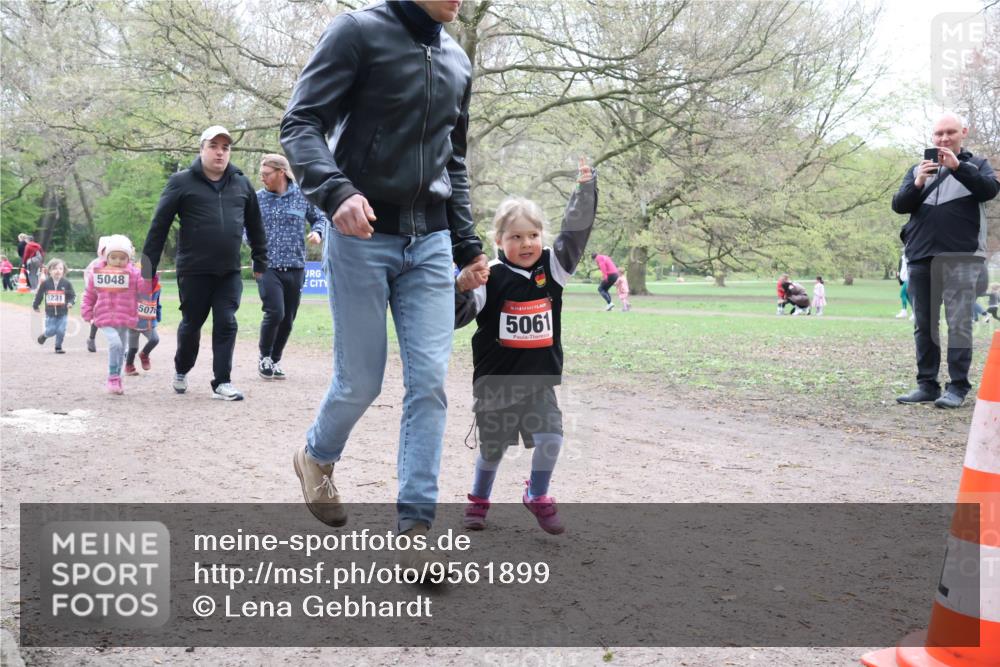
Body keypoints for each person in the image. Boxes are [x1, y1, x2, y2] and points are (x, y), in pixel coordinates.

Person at [281, 0, 489, 549]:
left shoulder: (457, 60)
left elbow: (454, 161)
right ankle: (316, 455)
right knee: (361, 381)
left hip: (433, 243)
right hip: (361, 236)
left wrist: (468, 245)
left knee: (430, 384)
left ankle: (416, 529)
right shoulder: (357, 32)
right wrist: (336, 192)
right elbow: (300, 123)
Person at [456, 159, 597, 534]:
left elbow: (575, 233)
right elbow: (458, 316)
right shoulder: (488, 276)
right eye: (515, 237)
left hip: (538, 380)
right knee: (492, 450)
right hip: (496, 383)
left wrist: (584, 190)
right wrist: (460, 288)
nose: (526, 243)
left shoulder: (554, 268)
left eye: (533, 235)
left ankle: (536, 494)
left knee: (551, 438)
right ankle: (479, 499)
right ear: (498, 240)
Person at [142, 125, 268, 401]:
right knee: (191, 325)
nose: (220, 152)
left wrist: (260, 259)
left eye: (225, 147)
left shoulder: (241, 183)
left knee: (227, 322)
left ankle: (222, 381)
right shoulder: (181, 182)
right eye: (213, 146)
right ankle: (181, 368)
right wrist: (147, 270)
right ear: (201, 149)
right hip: (194, 271)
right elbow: (159, 226)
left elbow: (256, 225)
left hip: (229, 271)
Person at [892, 112, 998, 409]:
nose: (944, 138)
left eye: (950, 132)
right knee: (924, 325)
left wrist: (957, 167)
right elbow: (899, 205)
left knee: (958, 324)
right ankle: (926, 385)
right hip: (920, 256)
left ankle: (957, 387)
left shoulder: (977, 165)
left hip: (961, 257)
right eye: (939, 133)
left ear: (964, 132)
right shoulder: (918, 168)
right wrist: (917, 182)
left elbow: (989, 190)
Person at [253, 153, 326, 380]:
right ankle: (264, 357)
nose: (262, 178)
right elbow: (245, 226)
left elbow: (320, 218)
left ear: (281, 172)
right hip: (267, 266)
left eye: (266, 174)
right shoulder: (257, 199)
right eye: (261, 174)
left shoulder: (302, 196)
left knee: (288, 318)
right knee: (275, 311)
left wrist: (318, 232)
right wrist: (253, 244)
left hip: (296, 266)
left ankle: (275, 360)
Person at [81, 235, 146, 394]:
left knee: (122, 348)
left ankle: (117, 377)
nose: (118, 261)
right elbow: (90, 294)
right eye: (114, 257)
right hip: (104, 317)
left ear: (128, 258)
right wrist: (87, 310)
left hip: (125, 317)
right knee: (115, 344)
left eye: (122, 258)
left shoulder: (134, 274)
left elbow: (143, 289)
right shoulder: (98, 273)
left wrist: (149, 276)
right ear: (107, 257)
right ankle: (112, 377)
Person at [33, 258, 75, 353]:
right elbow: (39, 295)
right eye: (55, 268)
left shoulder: (67, 283)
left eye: (60, 268)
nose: (57, 271)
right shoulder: (45, 283)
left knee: (61, 330)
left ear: (63, 271)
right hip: (50, 313)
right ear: (49, 271)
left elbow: (72, 296)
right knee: (51, 330)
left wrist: (70, 303)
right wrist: (36, 305)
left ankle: (58, 347)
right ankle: (45, 335)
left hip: (63, 312)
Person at [124, 272, 162, 376]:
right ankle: (129, 366)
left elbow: (157, 303)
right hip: (133, 321)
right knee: (133, 348)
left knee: (154, 339)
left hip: (148, 321)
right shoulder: (133, 285)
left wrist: (158, 316)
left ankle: (144, 355)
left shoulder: (157, 287)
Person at [84, 236, 110, 353]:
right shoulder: (95, 264)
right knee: (97, 317)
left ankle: (118, 343)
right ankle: (91, 338)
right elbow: (88, 278)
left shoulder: (118, 263)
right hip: (98, 296)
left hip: (114, 297)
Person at [896, 253, 913, 319]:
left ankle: (904, 312)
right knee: (907, 296)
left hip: (909, 279)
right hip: (905, 280)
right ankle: (914, 312)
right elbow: (900, 268)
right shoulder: (902, 258)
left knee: (902, 294)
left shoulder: (909, 257)